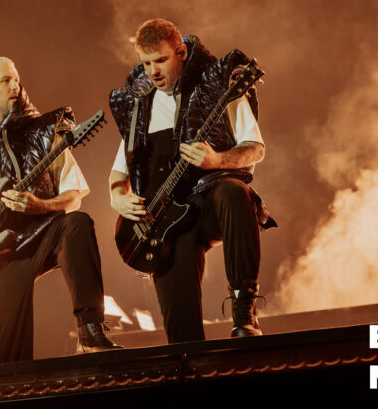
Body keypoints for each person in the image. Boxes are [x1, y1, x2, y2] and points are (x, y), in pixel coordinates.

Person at [0, 56, 121, 364]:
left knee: (77, 223)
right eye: (5, 80)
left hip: (40, 235)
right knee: (8, 364)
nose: (15, 85)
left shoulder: (43, 132)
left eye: (16, 79)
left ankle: (90, 330)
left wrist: (41, 205)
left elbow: (74, 194)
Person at [108, 19, 275, 342]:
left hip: (209, 201)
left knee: (234, 192)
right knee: (182, 339)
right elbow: (119, 172)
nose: (153, 71)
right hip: (165, 224)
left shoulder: (219, 87)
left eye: (161, 60)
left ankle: (244, 307)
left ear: (181, 52)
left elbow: (255, 148)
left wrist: (217, 160)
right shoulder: (140, 107)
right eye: (146, 63)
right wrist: (118, 196)